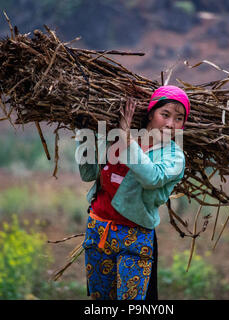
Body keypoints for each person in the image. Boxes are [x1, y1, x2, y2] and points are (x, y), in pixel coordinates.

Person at [77, 85, 191, 300]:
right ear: (150, 114)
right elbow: (87, 172)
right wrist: (84, 133)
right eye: (164, 114)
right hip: (98, 230)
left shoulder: (174, 156)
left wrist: (127, 138)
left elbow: (152, 178)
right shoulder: (115, 140)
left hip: (135, 237)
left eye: (178, 119)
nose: (170, 124)